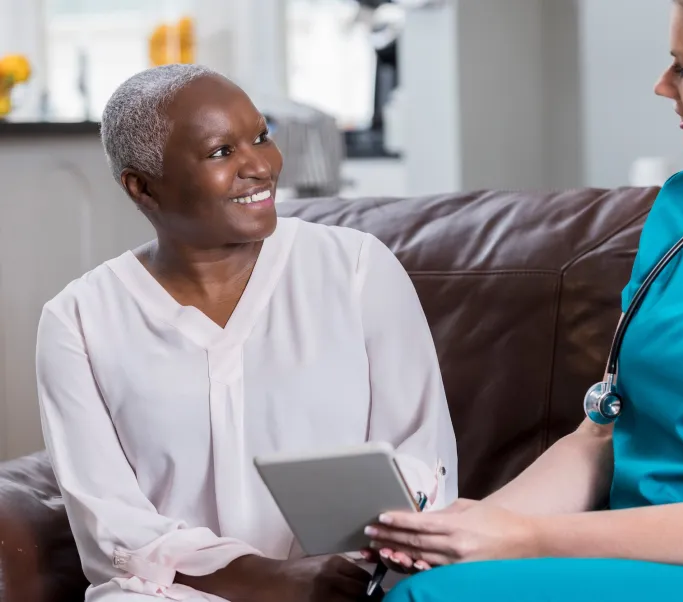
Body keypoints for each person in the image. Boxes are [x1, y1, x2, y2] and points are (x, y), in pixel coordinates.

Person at [365, 1, 683, 601]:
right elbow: (603, 433)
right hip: (617, 549)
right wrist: (459, 532)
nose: (660, 85)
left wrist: (525, 538)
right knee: (435, 580)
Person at [35, 64, 458, 602]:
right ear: (142, 188)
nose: (259, 166)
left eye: (261, 137)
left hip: (359, 586)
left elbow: (422, 458)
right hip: (176, 593)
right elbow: (111, 529)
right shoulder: (79, 320)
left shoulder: (354, 268)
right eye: (220, 153)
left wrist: (354, 568)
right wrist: (275, 581)